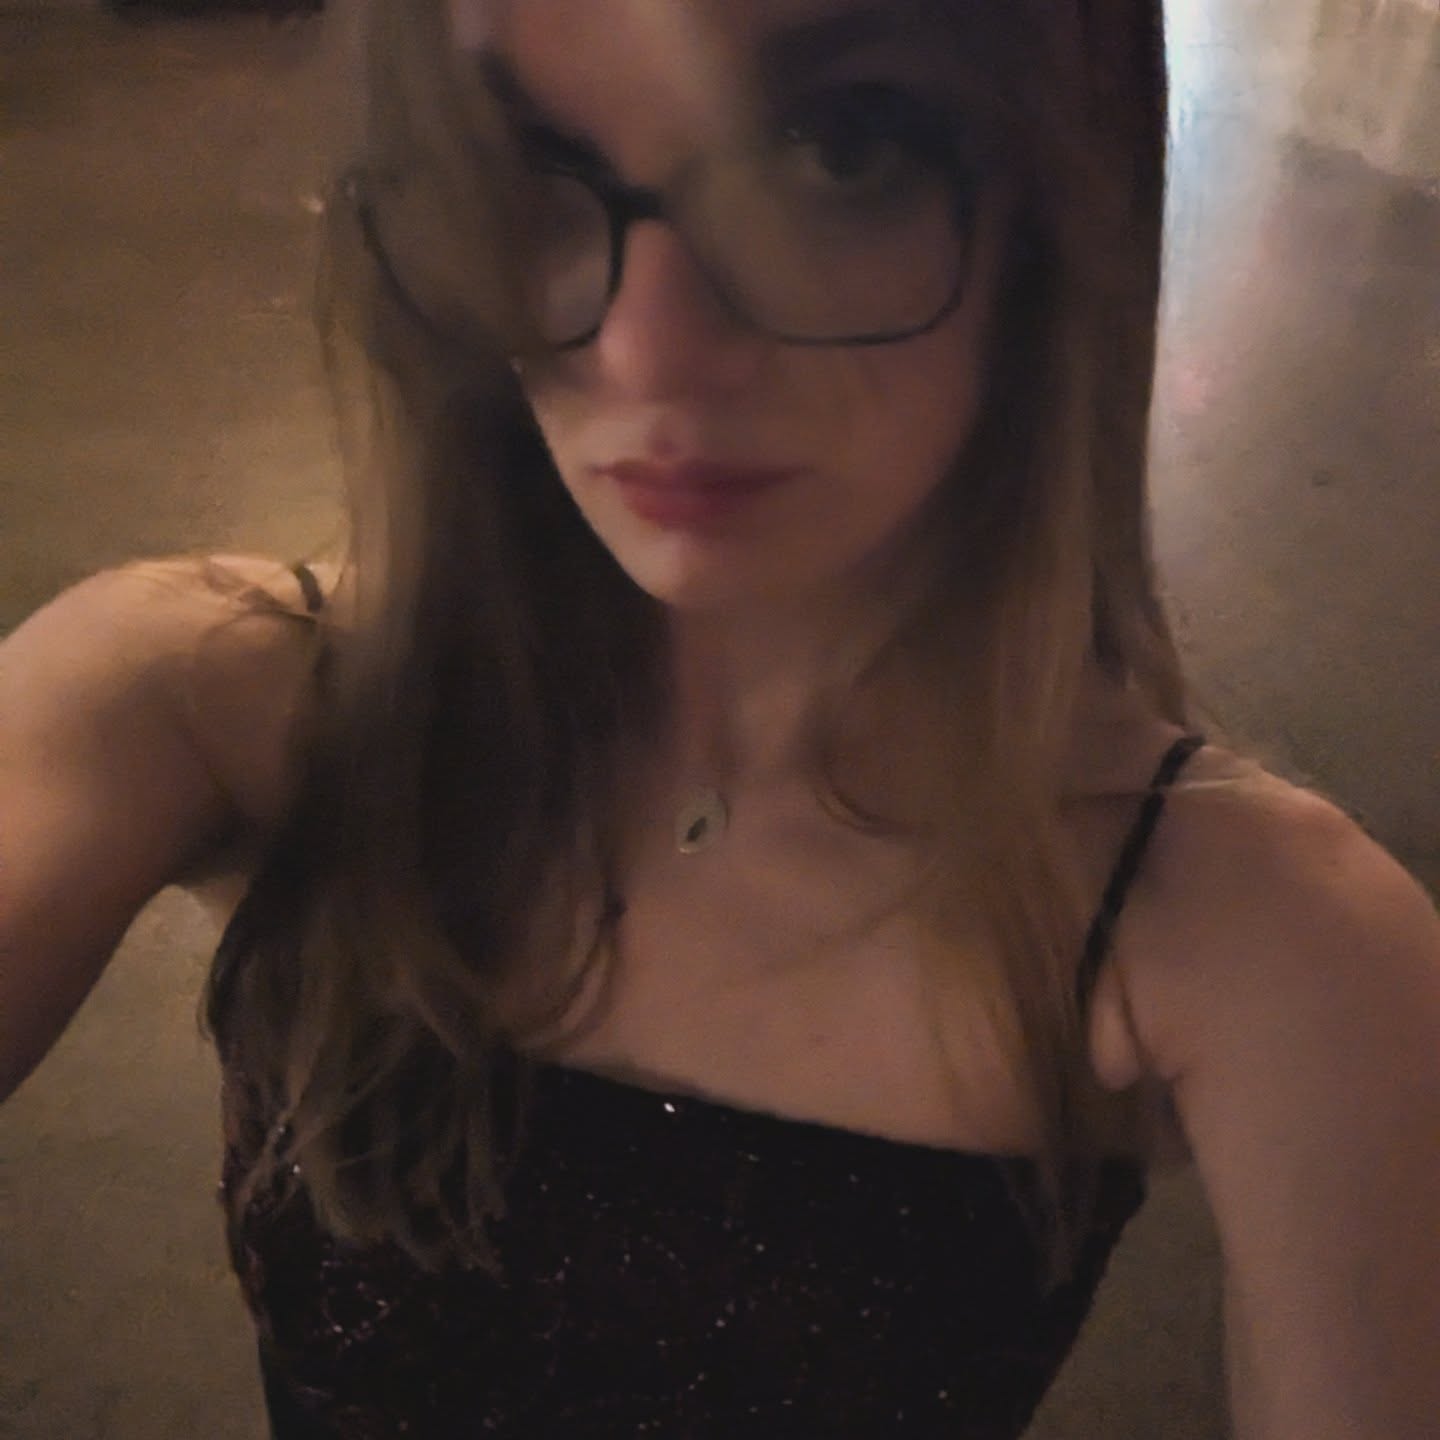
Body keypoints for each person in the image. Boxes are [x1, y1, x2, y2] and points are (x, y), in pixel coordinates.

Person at [2, 0, 1437, 1434]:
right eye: (519, 162)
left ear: (1058, 206)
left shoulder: (1277, 950)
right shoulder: (202, 696)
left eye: (841, 149)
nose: (653, 351)